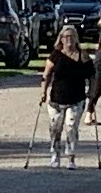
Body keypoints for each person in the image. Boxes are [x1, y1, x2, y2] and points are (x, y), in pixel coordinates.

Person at [36, 24, 94, 168]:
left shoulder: (83, 55)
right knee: (55, 128)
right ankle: (55, 154)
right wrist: (43, 92)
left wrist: (92, 92)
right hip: (56, 99)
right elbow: (46, 75)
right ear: (60, 39)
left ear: (76, 39)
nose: (68, 39)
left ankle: (71, 158)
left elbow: (92, 76)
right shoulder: (55, 55)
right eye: (66, 36)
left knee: (71, 126)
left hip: (76, 98)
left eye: (72, 36)